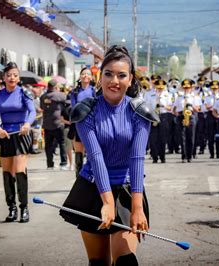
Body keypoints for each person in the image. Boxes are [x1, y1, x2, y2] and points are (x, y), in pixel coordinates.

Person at [59, 45, 158, 266]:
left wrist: (137, 207)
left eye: (121, 75)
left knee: (126, 261)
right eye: (108, 74)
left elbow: (137, 160)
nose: (115, 80)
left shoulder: (140, 112)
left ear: (130, 79)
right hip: (92, 188)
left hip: (126, 190)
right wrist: (106, 201)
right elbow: (95, 157)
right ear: (99, 76)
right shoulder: (86, 111)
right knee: (99, 263)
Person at [0, 62, 36, 223]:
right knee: (7, 173)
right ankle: (11, 207)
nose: (12, 78)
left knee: (19, 170)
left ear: (18, 77)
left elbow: (32, 111)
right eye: (9, 75)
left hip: (21, 134)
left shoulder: (24, 93)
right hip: (5, 136)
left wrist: (27, 124)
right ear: (4, 77)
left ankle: (24, 207)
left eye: (15, 75)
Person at [68, 68, 95, 176]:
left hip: (91, 123)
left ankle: (91, 177)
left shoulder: (94, 90)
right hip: (78, 123)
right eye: (83, 74)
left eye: (88, 74)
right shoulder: (74, 92)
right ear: (80, 77)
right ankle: (78, 179)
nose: (85, 76)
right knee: (78, 153)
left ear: (91, 77)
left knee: (91, 153)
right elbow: (73, 107)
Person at [40, 80, 67, 170]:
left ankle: (50, 164)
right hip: (57, 123)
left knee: (48, 145)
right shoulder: (59, 95)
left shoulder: (43, 97)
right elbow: (66, 101)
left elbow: (41, 107)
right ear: (55, 87)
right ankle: (63, 162)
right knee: (62, 143)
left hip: (47, 124)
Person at [173, 79, 202, 163]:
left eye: (188, 88)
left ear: (191, 88)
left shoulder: (195, 97)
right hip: (181, 116)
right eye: (185, 88)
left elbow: (198, 109)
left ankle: (190, 156)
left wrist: (191, 105)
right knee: (182, 137)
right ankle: (184, 156)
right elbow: (174, 109)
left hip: (191, 116)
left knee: (191, 136)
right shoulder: (179, 97)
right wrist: (177, 114)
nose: (186, 89)